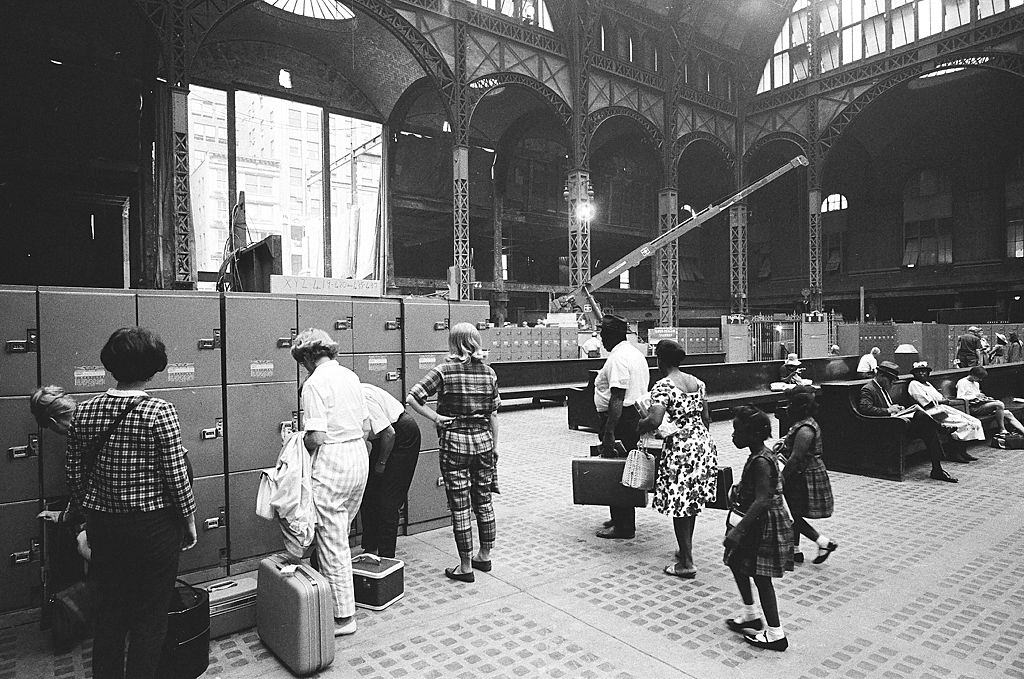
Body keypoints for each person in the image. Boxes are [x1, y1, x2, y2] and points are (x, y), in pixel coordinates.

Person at [66, 327, 196, 679]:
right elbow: (176, 477)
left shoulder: (85, 411)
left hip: (104, 529)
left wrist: (88, 520)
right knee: (149, 620)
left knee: (108, 618)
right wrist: (188, 521)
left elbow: (75, 475)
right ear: (153, 367)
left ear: (111, 365)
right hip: (153, 530)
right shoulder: (160, 411)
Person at [291, 328, 369, 637]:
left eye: (303, 362)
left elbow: (317, 436)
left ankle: (342, 617)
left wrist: (297, 445)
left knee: (331, 541)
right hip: (357, 456)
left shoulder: (314, 383)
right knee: (339, 534)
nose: (304, 368)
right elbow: (366, 427)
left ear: (309, 356)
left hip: (333, 460)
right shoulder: (350, 376)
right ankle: (331, 598)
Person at [408, 322, 500, 582]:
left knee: (460, 506)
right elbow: (494, 414)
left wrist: (436, 417)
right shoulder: (489, 373)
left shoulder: (444, 371)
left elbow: (413, 397)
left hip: (454, 444)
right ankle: (485, 554)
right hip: (483, 442)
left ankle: (465, 565)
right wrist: (495, 447)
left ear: (453, 343)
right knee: (483, 501)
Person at [637, 339, 718, 578]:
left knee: (678, 506)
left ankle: (687, 563)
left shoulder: (663, 386)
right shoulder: (697, 383)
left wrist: (640, 424)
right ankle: (685, 551)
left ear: (659, 360)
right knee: (689, 503)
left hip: (680, 448)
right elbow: (706, 418)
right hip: (702, 444)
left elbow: (654, 420)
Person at [724, 405, 793, 652]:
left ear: (752, 434)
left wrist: (738, 530)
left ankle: (776, 634)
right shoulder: (761, 455)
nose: (732, 435)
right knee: (736, 562)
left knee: (762, 578)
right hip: (755, 521)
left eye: (737, 430)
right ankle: (750, 613)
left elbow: (763, 499)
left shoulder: (761, 461)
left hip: (761, 525)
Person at [592, 314, 650, 539]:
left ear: (611, 335)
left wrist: (609, 431)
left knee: (619, 471)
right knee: (624, 468)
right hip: (632, 418)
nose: (601, 338)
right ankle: (619, 516)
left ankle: (624, 526)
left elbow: (617, 396)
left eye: (603, 334)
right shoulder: (634, 353)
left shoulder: (618, 358)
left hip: (621, 421)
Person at [857, 361, 957, 483]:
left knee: (928, 430)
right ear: (881, 376)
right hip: (884, 427)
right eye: (891, 380)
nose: (892, 383)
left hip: (895, 424)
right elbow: (865, 408)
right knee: (920, 415)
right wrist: (888, 410)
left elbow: (887, 406)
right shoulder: (868, 389)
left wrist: (896, 408)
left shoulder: (881, 388)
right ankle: (941, 428)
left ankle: (937, 468)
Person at [359, 383, 421, 559]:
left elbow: (389, 433)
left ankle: (386, 557)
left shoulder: (360, 397)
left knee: (389, 500)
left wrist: (381, 462)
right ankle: (371, 547)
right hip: (383, 438)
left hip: (402, 435)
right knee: (368, 492)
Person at [779, 387, 837, 565]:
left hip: (803, 474)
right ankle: (795, 550)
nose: (787, 408)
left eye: (791, 404)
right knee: (792, 508)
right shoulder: (803, 424)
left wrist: (781, 478)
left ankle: (822, 542)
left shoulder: (806, 429)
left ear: (800, 407)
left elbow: (796, 458)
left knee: (792, 513)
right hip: (803, 472)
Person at [907, 361, 984, 457]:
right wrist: (942, 401)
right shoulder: (914, 384)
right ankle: (954, 453)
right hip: (930, 412)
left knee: (970, 420)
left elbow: (939, 397)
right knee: (959, 423)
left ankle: (963, 451)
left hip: (941, 408)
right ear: (914, 374)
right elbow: (926, 403)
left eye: (924, 371)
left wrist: (943, 400)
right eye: (919, 372)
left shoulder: (928, 384)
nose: (922, 373)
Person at [956, 366, 1024, 442]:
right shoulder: (962, 382)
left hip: (980, 405)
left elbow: (978, 396)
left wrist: (986, 398)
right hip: (973, 408)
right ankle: (1002, 429)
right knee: (999, 404)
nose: (980, 380)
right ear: (973, 376)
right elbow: (960, 398)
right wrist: (975, 396)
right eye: (979, 378)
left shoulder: (976, 383)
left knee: (1008, 413)